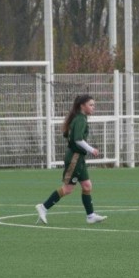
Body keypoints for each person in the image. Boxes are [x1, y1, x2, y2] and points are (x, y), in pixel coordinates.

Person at [35, 94, 107, 225]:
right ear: (82, 106)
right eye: (91, 105)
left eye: (93, 105)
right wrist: (92, 149)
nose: (93, 107)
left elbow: (67, 134)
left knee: (87, 186)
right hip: (75, 157)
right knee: (68, 189)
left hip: (79, 157)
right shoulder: (80, 119)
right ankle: (43, 207)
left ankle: (90, 216)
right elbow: (77, 139)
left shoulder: (79, 118)